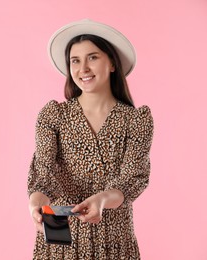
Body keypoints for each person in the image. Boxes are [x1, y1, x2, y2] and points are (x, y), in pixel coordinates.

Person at [27, 19, 154, 259]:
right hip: (58, 230)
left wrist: (103, 200)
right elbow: (43, 174)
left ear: (113, 63)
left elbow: (132, 179)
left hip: (114, 237)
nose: (83, 68)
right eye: (75, 60)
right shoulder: (54, 114)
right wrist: (35, 205)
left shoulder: (136, 120)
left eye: (92, 57)